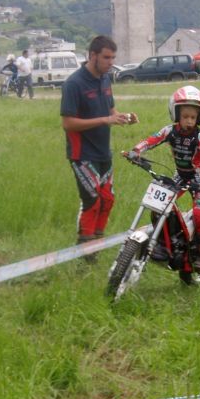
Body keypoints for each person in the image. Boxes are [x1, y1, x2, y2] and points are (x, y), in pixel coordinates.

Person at [60, 35, 137, 259]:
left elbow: (111, 111)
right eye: (106, 57)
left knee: (108, 200)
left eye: (113, 57)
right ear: (92, 55)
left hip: (104, 152)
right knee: (92, 201)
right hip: (82, 154)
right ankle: (85, 255)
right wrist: (105, 120)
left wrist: (123, 117)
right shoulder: (74, 84)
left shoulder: (105, 79)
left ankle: (97, 244)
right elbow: (68, 123)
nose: (110, 62)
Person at [127, 85, 200, 271]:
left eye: (193, 117)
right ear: (175, 114)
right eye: (185, 117)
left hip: (199, 180)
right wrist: (136, 151)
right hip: (180, 175)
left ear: (199, 117)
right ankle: (162, 243)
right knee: (158, 204)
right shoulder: (170, 131)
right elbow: (153, 139)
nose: (189, 121)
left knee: (199, 215)